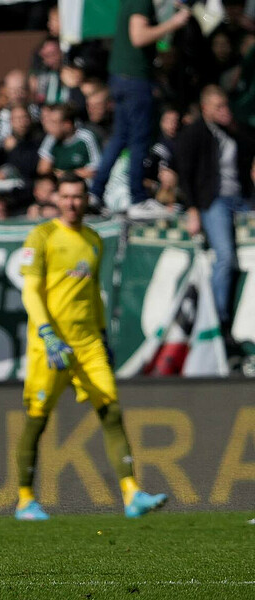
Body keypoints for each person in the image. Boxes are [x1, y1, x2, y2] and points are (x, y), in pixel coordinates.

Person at [15, 172, 167, 521]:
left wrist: (101, 334)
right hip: (49, 346)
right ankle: (25, 499)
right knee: (37, 421)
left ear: (86, 200)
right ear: (56, 199)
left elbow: (93, 295)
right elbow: (30, 292)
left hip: (87, 344)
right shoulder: (42, 236)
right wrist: (47, 334)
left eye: (77, 197)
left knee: (111, 412)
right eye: (65, 197)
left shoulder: (94, 240)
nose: (71, 203)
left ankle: (131, 494)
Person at [89, 1, 191, 215]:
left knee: (120, 138)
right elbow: (139, 36)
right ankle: (138, 199)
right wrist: (174, 22)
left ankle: (96, 192)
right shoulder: (141, 1)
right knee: (139, 140)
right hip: (135, 81)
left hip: (122, 79)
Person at [177, 86, 255, 341]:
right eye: (218, 107)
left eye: (226, 106)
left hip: (241, 198)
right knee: (224, 256)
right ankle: (217, 321)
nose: (224, 111)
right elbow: (185, 174)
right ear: (205, 108)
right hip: (215, 200)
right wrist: (193, 209)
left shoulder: (234, 131)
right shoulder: (196, 133)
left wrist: (235, 128)